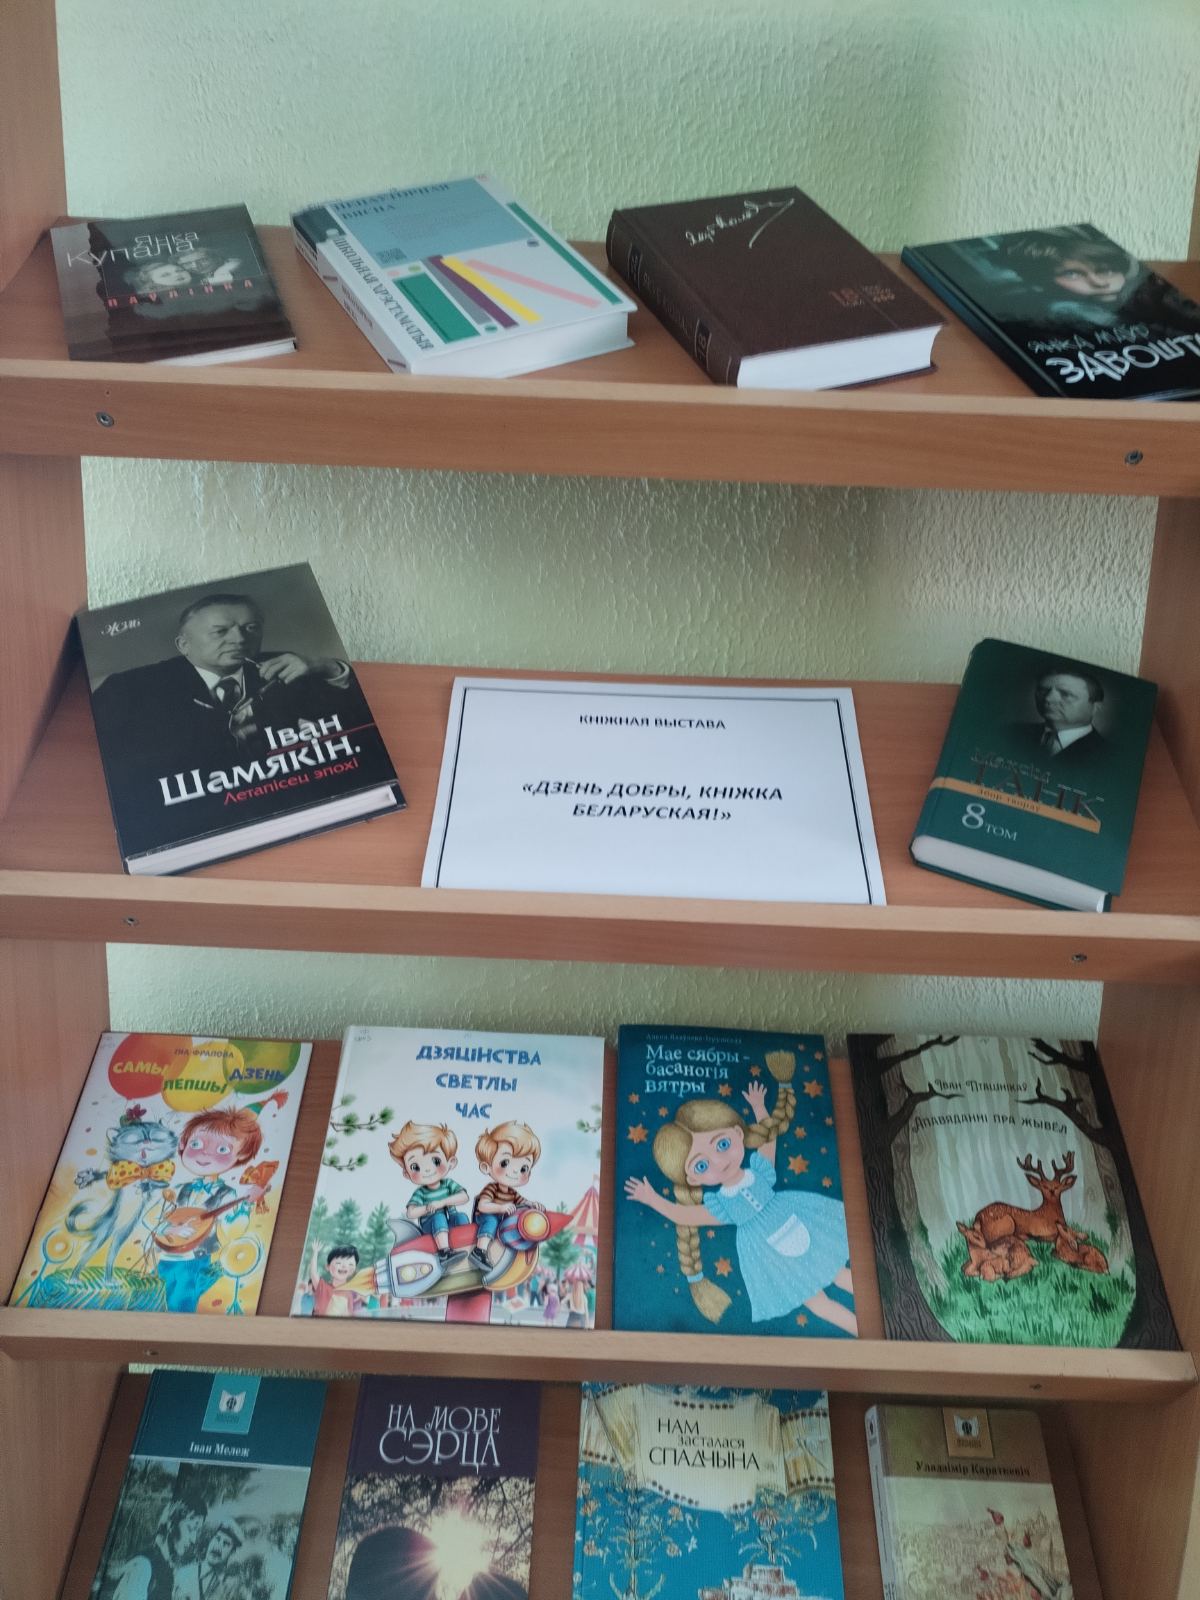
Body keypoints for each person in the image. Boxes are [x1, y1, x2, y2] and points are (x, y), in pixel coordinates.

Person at [623, 1050, 857, 1333]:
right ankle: (855, 1328)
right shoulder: (722, 1205)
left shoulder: (759, 1173)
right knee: (818, 1302)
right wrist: (651, 1199)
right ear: (691, 1179)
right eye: (701, 1165)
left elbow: (768, 1141)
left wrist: (759, 1108)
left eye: (722, 1144)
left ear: (737, 1133)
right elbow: (684, 1215)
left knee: (841, 1274)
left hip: (797, 1220)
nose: (719, 1161)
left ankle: (863, 1329)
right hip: (770, 1256)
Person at [156, 1105, 269, 1314]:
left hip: (196, 1260)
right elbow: (154, 1218)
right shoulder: (179, 1189)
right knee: (158, 1299)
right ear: (183, 1144)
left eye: (222, 1149)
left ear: (241, 1155)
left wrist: (246, 1204)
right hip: (165, 1256)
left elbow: (233, 1231)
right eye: (196, 1144)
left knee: (180, 1305)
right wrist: (167, 1229)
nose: (204, 1153)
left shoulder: (226, 1194)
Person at [388, 1120, 470, 1264]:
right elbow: (411, 1213)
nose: (427, 1169)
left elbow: (464, 1197)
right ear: (407, 1174)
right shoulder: (421, 1193)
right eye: (415, 1167)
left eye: (435, 1161)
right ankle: (444, 1252)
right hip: (430, 1226)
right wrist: (428, 1208)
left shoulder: (448, 1184)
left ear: (451, 1162)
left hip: (449, 1221)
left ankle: (467, 1247)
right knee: (439, 1217)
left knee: (461, 1217)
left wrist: (442, 1202)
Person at [469, 1120, 546, 1272]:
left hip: (501, 1219)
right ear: (486, 1167)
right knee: (491, 1221)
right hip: (485, 1217)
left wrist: (533, 1204)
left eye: (524, 1168)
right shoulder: (492, 1188)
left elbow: (523, 1202)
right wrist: (500, 1207)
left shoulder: (512, 1192)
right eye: (505, 1163)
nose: (515, 1171)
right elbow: (482, 1206)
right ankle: (479, 1250)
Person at [1004, 662, 1109, 765]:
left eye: (1066, 694)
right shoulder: (1010, 733)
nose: (1048, 698)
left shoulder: (1108, 756)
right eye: (1043, 691)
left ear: (1095, 708)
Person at [100, 1498, 203, 1600]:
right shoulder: (143, 1566)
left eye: (197, 1532)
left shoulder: (165, 1567)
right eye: (191, 1529)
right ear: (171, 1524)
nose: (193, 1540)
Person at [171, 1521, 243, 1600]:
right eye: (217, 1539)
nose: (218, 1546)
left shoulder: (231, 1585)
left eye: (226, 1544)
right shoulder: (185, 1573)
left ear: (232, 1552)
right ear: (210, 1541)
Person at [306, 1239, 368, 1316]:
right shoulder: (323, 1287)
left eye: (350, 1264)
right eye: (338, 1263)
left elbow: (349, 1314)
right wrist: (315, 1252)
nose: (344, 1266)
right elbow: (313, 1273)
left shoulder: (348, 1294)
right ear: (328, 1266)